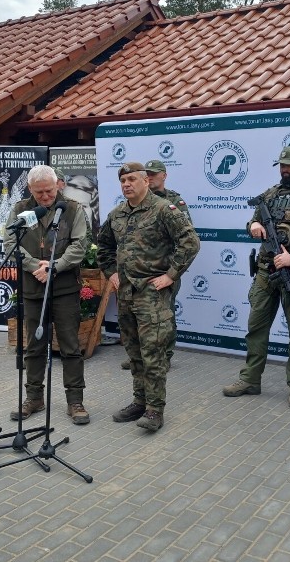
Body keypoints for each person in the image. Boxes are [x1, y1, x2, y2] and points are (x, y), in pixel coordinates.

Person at [97, 162, 200, 432]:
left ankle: (155, 410)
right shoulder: (118, 214)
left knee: (153, 352)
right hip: (127, 294)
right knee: (134, 352)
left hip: (152, 293)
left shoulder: (164, 209)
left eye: (132, 179)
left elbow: (190, 241)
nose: (127, 184)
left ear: (145, 181)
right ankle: (139, 401)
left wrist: (171, 275)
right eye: (123, 181)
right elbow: (104, 245)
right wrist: (111, 273)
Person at [222, 146, 290, 408]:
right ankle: (251, 379)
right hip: (266, 272)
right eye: (281, 165)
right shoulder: (269, 195)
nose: (285, 169)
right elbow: (252, 222)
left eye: (289, 165)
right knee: (256, 329)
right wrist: (252, 226)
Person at [2, 164, 90, 425]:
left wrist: (54, 266)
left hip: (64, 288)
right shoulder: (20, 209)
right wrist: (33, 266)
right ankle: (34, 398)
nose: (45, 197)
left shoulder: (72, 209)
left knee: (71, 347)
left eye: (49, 191)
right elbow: (9, 241)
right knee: (34, 346)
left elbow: (80, 245)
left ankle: (75, 401)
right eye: (39, 192)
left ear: (58, 185)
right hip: (32, 288)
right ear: (30, 189)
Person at [120, 159, 191, 371]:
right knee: (139, 317)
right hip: (140, 274)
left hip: (163, 270)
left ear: (164, 176)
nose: (150, 177)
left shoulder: (173, 203)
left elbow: (187, 239)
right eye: (148, 174)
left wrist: (171, 273)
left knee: (164, 315)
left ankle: (164, 355)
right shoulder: (134, 203)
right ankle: (141, 356)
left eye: (154, 174)